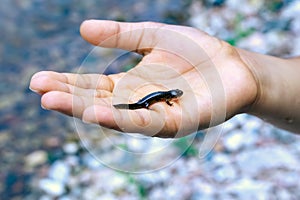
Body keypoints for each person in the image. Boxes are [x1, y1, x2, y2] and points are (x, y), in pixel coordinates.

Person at [29, 20, 300, 137]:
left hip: (148, 100)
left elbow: (166, 97)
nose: (175, 98)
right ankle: (128, 106)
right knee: (139, 106)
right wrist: (255, 78)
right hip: (145, 102)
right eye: (175, 96)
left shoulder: (169, 96)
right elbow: (164, 98)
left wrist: (254, 78)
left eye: (175, 97)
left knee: (138, 106)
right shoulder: (168, 96)